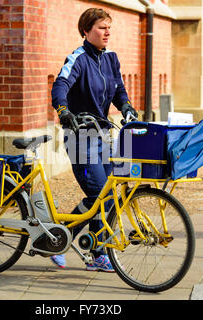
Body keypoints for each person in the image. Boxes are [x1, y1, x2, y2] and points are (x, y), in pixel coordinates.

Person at [50, 8, 138, 272]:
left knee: (110, 194)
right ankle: (96, 253)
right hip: (80, 137)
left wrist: (127, 108)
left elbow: (119, 90)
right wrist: (63, 111)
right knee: (100, 193)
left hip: (103, 134)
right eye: (101, 27)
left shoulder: (111, 58)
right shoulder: (77, 58)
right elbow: (60, 85)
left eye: (109, 27)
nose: (107, 32)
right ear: (86, 31)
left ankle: (62, 237)